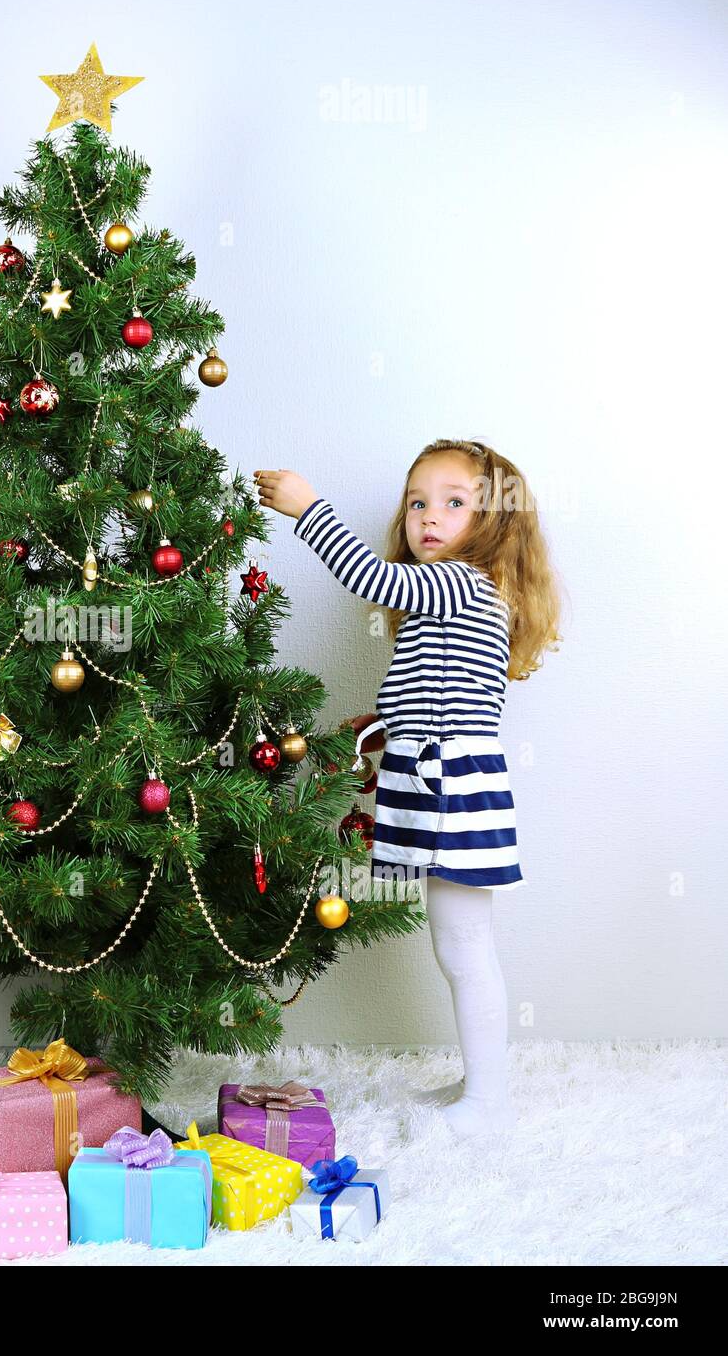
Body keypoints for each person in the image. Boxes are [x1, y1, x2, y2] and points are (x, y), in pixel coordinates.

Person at [254, 440, 561, 1136]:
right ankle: (481, 1088)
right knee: (459, 942)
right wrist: (387, 723)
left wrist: (307, 509)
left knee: (463, 944)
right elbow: (440, 691)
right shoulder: (459, 594)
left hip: (452, 784)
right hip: (436, 773)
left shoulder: (460, 581)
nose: (428, 516)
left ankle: (489, 1105)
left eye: (454, 503)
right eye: (418, 501)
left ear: (493, 522)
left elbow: (369, 577)